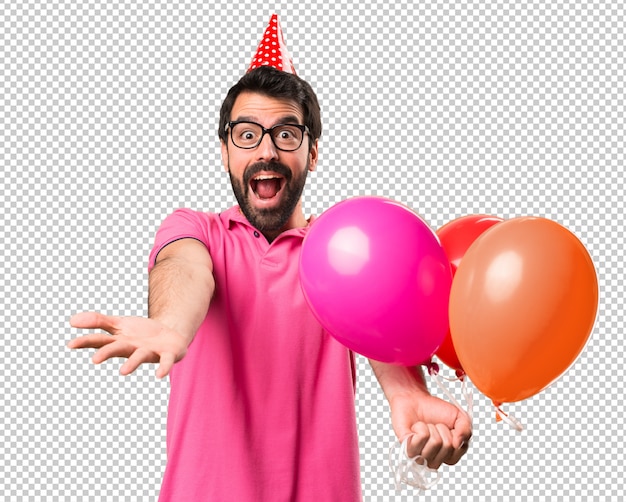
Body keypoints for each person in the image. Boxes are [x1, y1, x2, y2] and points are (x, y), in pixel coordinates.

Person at [68, 14, 472, 502]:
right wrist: (172, 326)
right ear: (225, 151)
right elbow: (184, 269)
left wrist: (407, 393)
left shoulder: (343, 247)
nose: (266, 150)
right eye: (246, 134)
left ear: (313, 151)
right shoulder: (195, 231)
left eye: (286, 134)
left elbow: (374, 311)